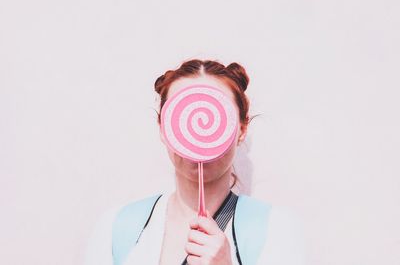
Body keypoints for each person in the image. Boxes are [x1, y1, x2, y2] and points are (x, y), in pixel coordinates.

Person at [84, 59, 305, 265]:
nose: (198, 136)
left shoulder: (275, 229)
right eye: (180, 117)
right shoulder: (117, 228)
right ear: (162, 128)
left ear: (241, 129)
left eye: (220, 118)